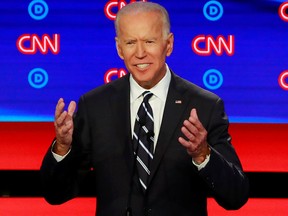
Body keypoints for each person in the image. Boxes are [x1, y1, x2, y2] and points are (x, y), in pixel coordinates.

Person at [40, 2, 249, 216]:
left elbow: (236, 197)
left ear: (168, 44)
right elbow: (55, 194)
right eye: (130, 42)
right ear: (119, 48)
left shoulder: (204, 106)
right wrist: (63, 148)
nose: (140, 53)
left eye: (149, 41)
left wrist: (203, 155)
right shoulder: (95, 106)